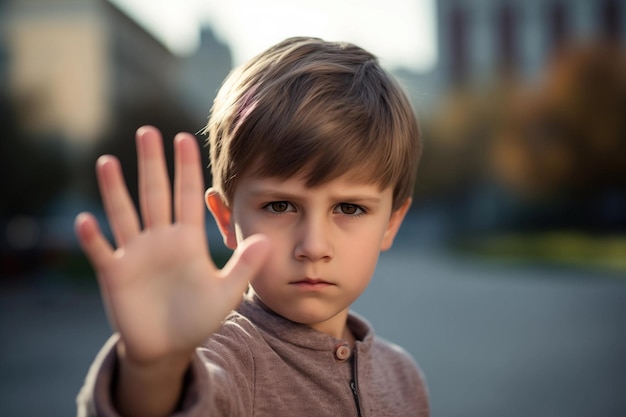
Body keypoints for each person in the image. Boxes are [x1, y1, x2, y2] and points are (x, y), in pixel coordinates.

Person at [75, 37, 429, 417]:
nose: (313, 245)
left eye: (349, 208)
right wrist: (152, 370)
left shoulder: (402, 376)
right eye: (280, 206)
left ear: (391, 222)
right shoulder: (223, 362)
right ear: (226, 218)